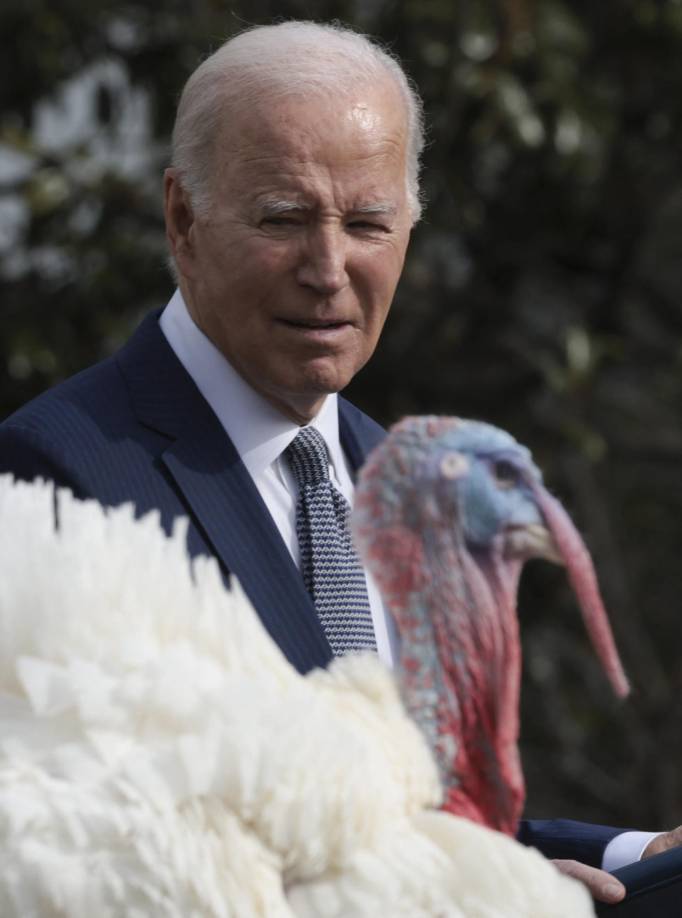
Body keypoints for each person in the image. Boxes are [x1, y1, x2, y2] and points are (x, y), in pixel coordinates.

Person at [0, 20, 679, 905]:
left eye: (367, 223)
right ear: (182, 219)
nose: (328, 269)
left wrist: (637, 854)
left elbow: (434, 815)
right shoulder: (56, 479)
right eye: (284, 219)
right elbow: (91, 863)